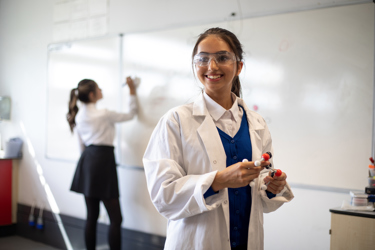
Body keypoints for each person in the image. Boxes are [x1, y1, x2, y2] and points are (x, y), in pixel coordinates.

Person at [143, 27, 294, 250]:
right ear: (195, 65)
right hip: (197, 242)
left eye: (222, 58)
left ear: (239, 66)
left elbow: (260, 182)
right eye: (202, 59)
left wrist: (271, 185)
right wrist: (218, 180)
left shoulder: (257, 123)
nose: (212, 67)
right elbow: (163, 195)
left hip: (246, 240)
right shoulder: (175, 121)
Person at [67, 77, 137, 250]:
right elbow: (131, 114)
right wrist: (132, 91)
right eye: (99, 89)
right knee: (116, 219)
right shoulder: (103, 113)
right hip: (104, 161)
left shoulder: (79, 116)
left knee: (91, 216)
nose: (101, 91)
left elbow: (81, 147)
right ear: (92, 94)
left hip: (87, 161)